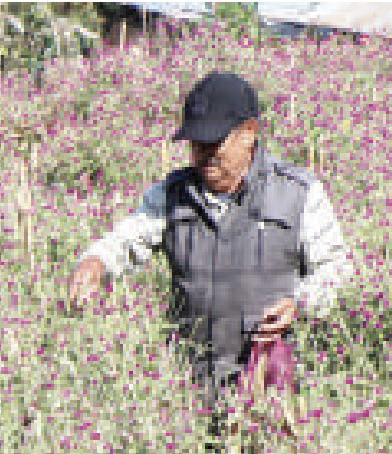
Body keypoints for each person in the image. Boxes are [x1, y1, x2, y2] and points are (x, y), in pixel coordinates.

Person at [68, 71, 352, 417]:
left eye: (214, 142)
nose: (203, 154)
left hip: (272, 391)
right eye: (196, 143)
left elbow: (338, 271)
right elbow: (126, 240)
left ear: (249, 133)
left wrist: (300, 303)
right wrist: (95, 262)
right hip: (191, 396)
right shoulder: (172, 196)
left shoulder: (298, 193)